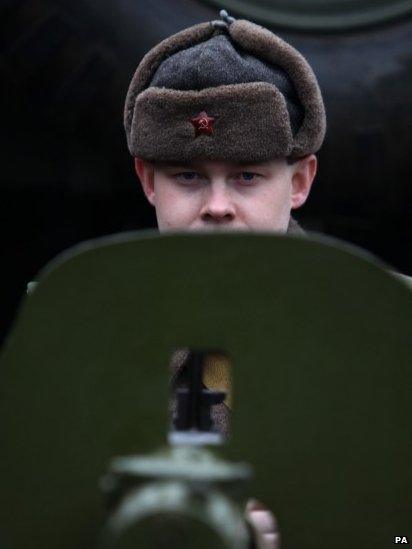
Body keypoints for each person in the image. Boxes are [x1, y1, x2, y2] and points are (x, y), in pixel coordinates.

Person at [123, 9, 326, 548]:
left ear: (300, 180)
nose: (218, 207)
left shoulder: (386, 322)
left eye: (247, 176)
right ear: (148, 181)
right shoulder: (78, 327)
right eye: (188, 176)